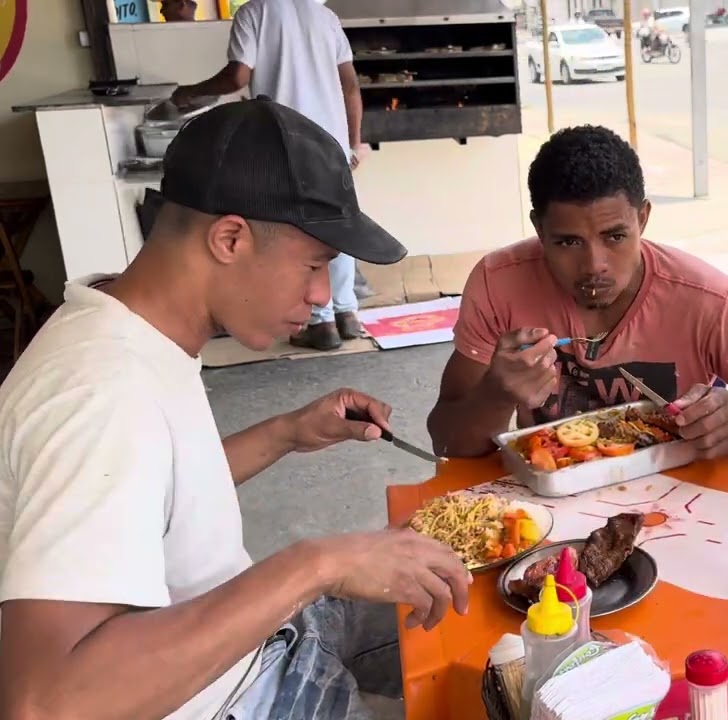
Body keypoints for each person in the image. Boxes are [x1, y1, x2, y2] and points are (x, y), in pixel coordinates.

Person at [0, 100, 469, 720]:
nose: (323, 294)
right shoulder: (99, 392)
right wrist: (319, 563)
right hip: (239, 699)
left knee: (474, 591)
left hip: (259, 646)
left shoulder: (130, 330)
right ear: (229, 238)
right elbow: (47, 703)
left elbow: (154, 496)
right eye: (314, 264)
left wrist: (287, 432)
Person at [427, 125, 728, 459]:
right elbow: (447, 442)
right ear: (539, 229)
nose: (595, 264)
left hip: (688, 502)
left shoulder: (706, 299)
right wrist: (497, 394)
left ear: (642, 219)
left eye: (615, 236)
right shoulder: (499, 284)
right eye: (568, 242)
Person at [173, 0, 369, 352]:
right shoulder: (325, 17)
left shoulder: (254, 13)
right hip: (333, 143)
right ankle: (347, 313)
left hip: (287, 142)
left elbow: (237, 77)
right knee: (339, 223)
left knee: (300, 230)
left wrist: (190, 91)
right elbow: (350, 85)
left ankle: (321, 322)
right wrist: (353, 142)